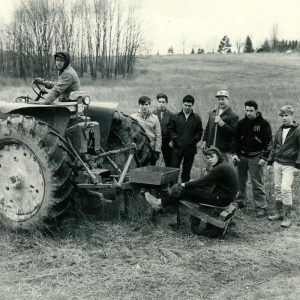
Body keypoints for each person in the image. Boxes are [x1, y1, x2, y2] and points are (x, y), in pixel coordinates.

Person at [232, 100, 272, 217]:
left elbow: (269, 142)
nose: (248, 113)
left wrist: (264, 157)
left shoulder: (264, 124)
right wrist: (234, 153)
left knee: (257, 182)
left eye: (251, 111)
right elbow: (235, 140)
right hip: (242, 157)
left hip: (257, 156)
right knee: (240, 181)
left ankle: (261, 207)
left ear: (256, 110)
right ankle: (240, 201)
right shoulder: (241, 123)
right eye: (247, 110)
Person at [267, 105, 300, 228]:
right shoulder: (279, 129)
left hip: (289, 165)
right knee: (277, 188)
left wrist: (298, 166)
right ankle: (279, 213)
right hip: (277, 163)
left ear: (292, 115)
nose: (284, 118)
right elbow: (274, 147)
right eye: (283, 116)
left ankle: (287, 217)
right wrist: (270, 162)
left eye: (287, 115)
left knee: (286, 189)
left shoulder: (297, 130)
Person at [169, 95, 203, 182]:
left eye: (189, 105)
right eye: (185, 105)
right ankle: (173, 189)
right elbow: (171, 130)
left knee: (186, 172)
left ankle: (184, 189)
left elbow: (199, 132)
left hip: (190, 149)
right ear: (182, 104)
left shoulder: (196, 118)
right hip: (177, 149)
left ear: (192, 105)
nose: (187, 107)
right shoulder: (175, 116)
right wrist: (176, 140)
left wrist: (192, 141)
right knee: (174, 170)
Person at [202, 90, 239, 161]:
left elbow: (233, 133)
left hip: (223, 151)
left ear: (228, 100)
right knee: (210, 170)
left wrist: (221, 123)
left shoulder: (233, 116)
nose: (220, 102)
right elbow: (207, 128)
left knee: (222, 171)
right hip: (211, 149)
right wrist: (204, 141)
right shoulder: (212, 113)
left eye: (223, 99)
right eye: (219, 99)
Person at [131, 96, 162, 166]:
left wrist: (157, 151)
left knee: (150, 171)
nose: (144, 107)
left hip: (151, 150)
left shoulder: (155, 118)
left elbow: (158, 135)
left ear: (149, 105)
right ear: (139, 105)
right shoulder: (133, 117)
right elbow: (130, 134)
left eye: (146, 104)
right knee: (137, 170)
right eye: (142, 104)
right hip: (138, 150)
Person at [152, 93, 174, 167]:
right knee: (152, 160)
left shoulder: (171, 115)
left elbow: (173, 129)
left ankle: (168, 177)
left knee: (169, 161)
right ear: (157, 102)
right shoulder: (152, 114)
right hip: (155, 141)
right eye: (159, 102)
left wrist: (172, 140)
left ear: (166, 103)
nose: (161, 104)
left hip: (166, 141)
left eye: (163, 102)